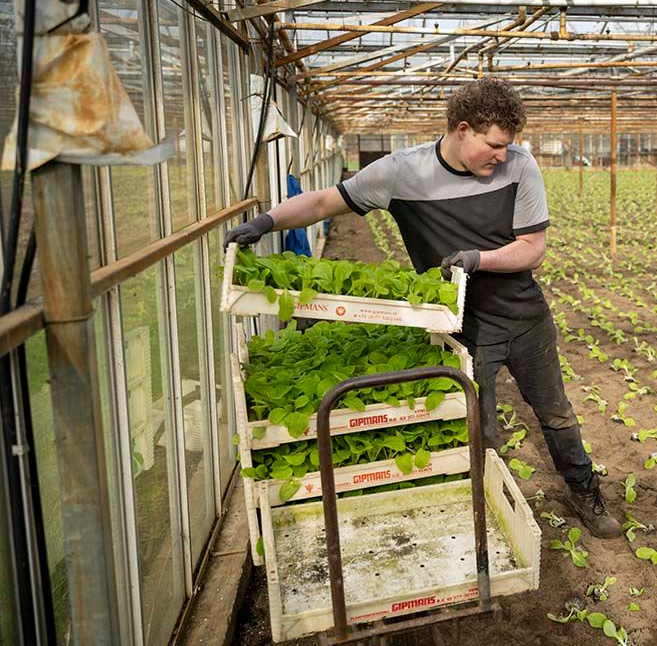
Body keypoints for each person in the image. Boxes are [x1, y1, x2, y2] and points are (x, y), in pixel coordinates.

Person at [224, 77, 620, 539]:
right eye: (493, 145)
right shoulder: (401, 172)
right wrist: (266, 222)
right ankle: (480, 517)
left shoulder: (520, 164)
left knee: (556, 414)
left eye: (507, 147)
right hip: (462, 328)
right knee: (478, 428)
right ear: (463, 129)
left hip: (526, 319)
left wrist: (479, 259)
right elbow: (323, 201)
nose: (501, 155)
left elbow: (533, 249)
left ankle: (584, 491)